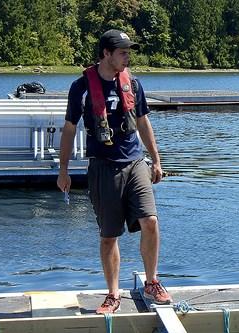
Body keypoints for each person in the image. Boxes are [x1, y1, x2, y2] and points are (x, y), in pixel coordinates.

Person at [57, 29, 172, 314]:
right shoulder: (81, 87)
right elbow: (69, 130)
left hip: (135, 163)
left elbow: (143, 122)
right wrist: (63, 169)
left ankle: (152, 281)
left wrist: (156, 160)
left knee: (151, 221)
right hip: (102, 167)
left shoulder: (132, 83)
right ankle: (112, 294)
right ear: (106, 54)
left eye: (128, 52)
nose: (127, 56)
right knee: (109, 236)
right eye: (122, 51)